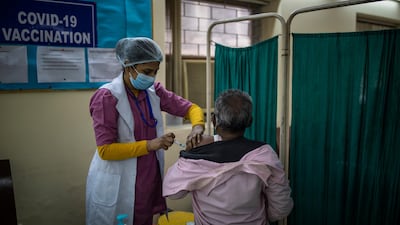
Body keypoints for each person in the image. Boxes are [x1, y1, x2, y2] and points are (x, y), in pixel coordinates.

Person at [85, 37, 205, 225]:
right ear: (127, 65)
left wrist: (197, 126)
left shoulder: (154, 92)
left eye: (155, 72)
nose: (151, 77)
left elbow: (192, 109)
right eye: (147, 71)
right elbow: (105, 150)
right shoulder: (107, 98)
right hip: (119, 181)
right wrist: (150, 145)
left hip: (147, 180)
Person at [163, 89, 293, 225]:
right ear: (250, 121)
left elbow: (173, 194)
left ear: (213, 121)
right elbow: (281, 208)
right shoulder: (264, 155)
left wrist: (188, 154)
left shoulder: (196, 159)